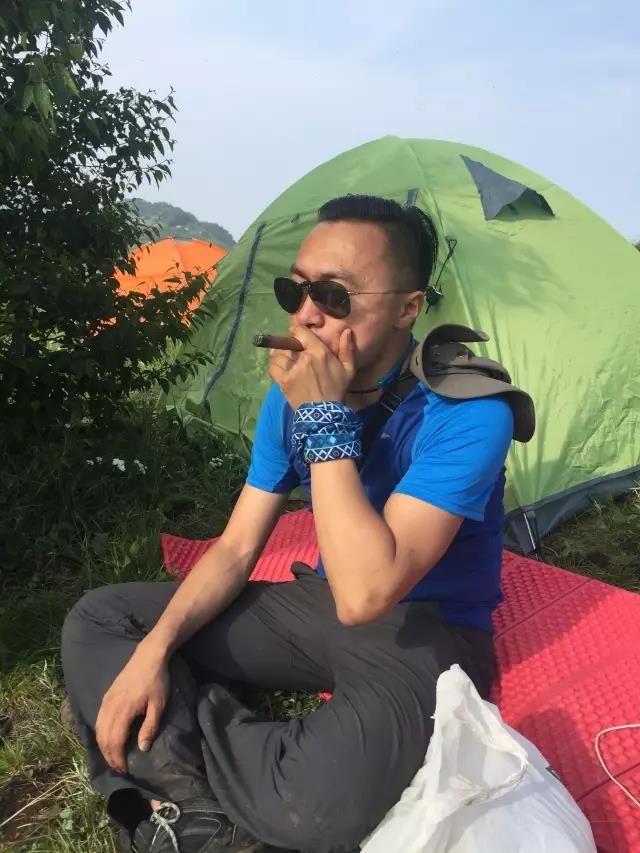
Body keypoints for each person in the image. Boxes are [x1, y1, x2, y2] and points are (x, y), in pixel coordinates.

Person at [62, 195, 515, 853]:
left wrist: (326, 419)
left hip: (425, 632)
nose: (305, 314)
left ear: (407, 308)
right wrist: (153, 652)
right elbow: (237, 547)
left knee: (315, 810)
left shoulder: (470, 410)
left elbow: (367, 594)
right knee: (103, 619)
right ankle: (200, 805)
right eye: (294, 290)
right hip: (319, 608)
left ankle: (171, 765)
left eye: (334, 296)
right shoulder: (290, 399)